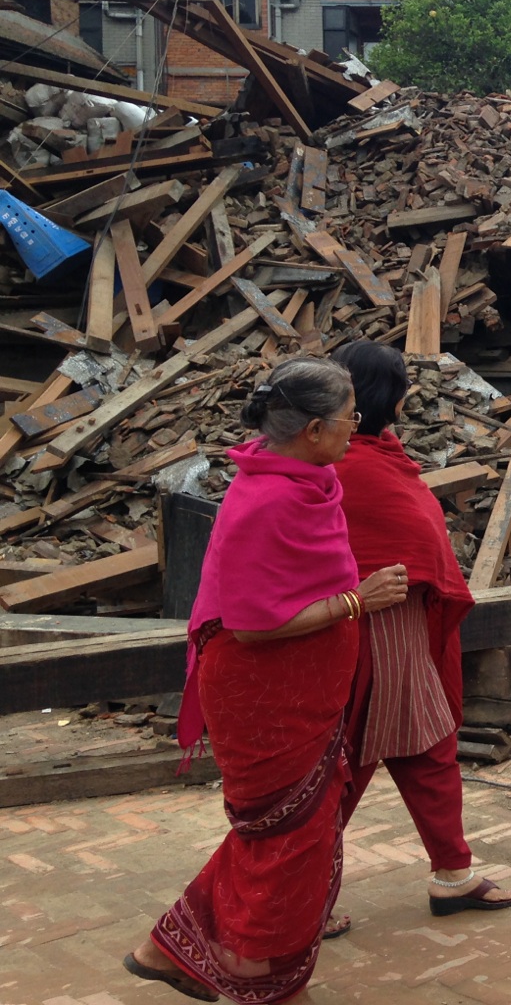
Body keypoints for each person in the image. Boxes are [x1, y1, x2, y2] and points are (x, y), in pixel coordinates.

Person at [123, 357, 409, 1004]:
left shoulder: (306, 478)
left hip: (304, 694)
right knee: (287, 839)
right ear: (312, 429)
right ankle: (266, 981)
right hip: (263, 697)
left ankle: (169, 950)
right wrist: (358, 602)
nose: (356, 429)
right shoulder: (267, 499)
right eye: (349, 419)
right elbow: (253, 626)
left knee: (284, 832)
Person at [328, 340, 511, 923]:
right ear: (397, 400)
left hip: (399, 629)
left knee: (427, 749)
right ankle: (300, 898)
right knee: (348, 764)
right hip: (366, 631)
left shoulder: (374, 456)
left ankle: (453, 873)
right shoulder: (343, 467)